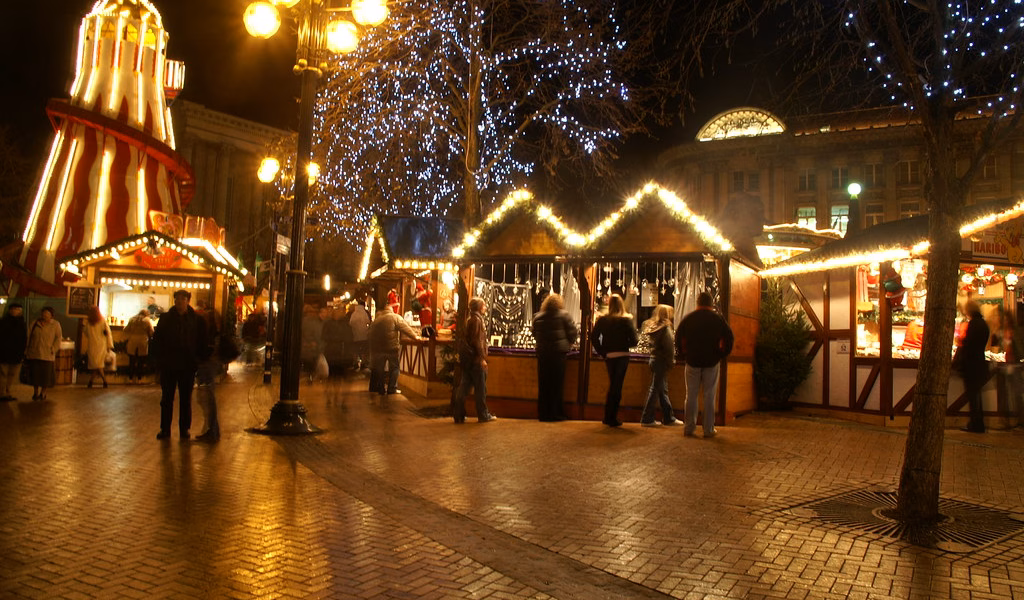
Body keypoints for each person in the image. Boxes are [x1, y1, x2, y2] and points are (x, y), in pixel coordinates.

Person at [151, 289, 208, 440]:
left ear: (188, 301)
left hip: (187, 365)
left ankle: (184, 429)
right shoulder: (166, 318)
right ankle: (165, 429)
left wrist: (198, 360)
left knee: (185, 399)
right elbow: (157, 341)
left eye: (183, 299)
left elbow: (202, 342)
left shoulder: (196, 320)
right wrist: (159, 361)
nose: (180, 302)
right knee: (167, 399)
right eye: (177, 299)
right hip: (169, 365)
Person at [676, 292, 734, 438]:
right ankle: (708, 429)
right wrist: (721, 354)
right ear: (711, 303)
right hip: (711, 362)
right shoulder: (718, 319)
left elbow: (678, 339)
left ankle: (689, 428)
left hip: (692, 362)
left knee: (691, 395)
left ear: (697, 302)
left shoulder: (688, 319)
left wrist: (684, 356)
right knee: (709, 396)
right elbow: (729, 338)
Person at [590, 294, 638, 427]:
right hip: (622, 355)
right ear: (621, 305)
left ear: (609, 305)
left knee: (613, 385)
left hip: (609, 356)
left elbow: (594, 337)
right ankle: (611, 417)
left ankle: (608, 416)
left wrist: (602, 351)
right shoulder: (626, 321)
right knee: (617, 386)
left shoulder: (603, 320)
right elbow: (635, 341)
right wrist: (623, 343)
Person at [531, 293, 577, 421]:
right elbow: (573, 332)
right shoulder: (564, 315)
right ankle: (556, 413)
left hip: (543, 353)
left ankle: (543, 413)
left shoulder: (537, 316)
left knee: (544, 384)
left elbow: (534, 333)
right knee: (557, 384)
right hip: (558, 353)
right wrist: (570, 342)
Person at [452, 297, 497, 423]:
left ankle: (458, 415)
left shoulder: (470, 319)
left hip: (468, 360)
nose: (485, 308)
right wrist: (482, 358)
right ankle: (483, 415)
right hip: (476, 360)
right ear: (479, 307)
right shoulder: (477, 320)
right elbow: (477, 341)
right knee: (480, 389)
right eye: (483, 306)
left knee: (464, 387)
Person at [640, 304, 680, 427]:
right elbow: (669, 347)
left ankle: (669, 417)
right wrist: (671, 361)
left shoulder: (653, 328)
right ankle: (647, 418)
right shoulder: (666, 328)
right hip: (662, 361)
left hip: (653, 359)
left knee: (662, 390)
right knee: (655, 389)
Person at [368, 304, 419, 398]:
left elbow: (370, 333)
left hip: (378, 349)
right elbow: (405, 328)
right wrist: (415, 337)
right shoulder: (395, 317)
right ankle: (392, 388)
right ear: (391, 310)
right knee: (394, 368)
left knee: (380, 369)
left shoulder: (377, 320)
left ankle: (381, 389)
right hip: (391, 348)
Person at [958, 299, 990, 433]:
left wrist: (961, 342)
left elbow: (968, 344)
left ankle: (975, 424)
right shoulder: (983, 324)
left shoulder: (973, 324)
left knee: (973, 396)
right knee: (976, 395)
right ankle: (978, 423)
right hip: (979, 362)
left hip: (971, 364)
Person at [194, 301, 221, 442]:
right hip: (210, 364)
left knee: (206, 398)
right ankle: (212, 429)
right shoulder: (215, 332)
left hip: (206, 364)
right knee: (207, 397)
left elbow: (203, 348)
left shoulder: (207, 334)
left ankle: (212, 430)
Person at [25, 307, 62, 401]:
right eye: (44, 313)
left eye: (47, 313)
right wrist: (26, 349)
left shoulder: (55, 324)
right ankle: (35, 392)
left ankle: (43, 392)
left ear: (51, 315)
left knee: (46, 376)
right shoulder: (35, 323)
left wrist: (54, 349)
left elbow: (58, 338)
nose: (45, 315)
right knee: (35, 375)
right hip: (34, 353)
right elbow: (28, 336)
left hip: (47, 354)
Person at [81, 305, 114, 389]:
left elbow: (86, 333)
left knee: (96, 365)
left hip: (92, 346)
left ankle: (91, 382)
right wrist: (109, 346)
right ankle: (104, 381)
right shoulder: (102, 321)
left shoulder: (88, 323)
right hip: (101, 345)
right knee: (99, 365)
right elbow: (108, 333)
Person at [0, 303, 28, 401]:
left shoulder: (22, 323)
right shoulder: (3, 322)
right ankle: (2, 393)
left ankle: (8, 392)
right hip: (4, 353)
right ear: (10, 310)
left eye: (18, 309)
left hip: (17, 354)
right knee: (3, 374)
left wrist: (23, 351)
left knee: (12, 375)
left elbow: (24, 339)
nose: (16, 311)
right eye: (14, 309)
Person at [123, 309, 154, 384]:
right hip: (143, 341)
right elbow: (151, 331)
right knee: (140, 361)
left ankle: (130, 379)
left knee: (132, 361)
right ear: (146, 314)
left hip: (132, 341)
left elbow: (126, 329)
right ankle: (139, 379)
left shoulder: (132, 319)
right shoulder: (147, 320)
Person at [349, 298, 371, 369]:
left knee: (355, 350)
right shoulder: (366, 313)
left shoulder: (354, 313)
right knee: (364, 350)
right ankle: (364, 363)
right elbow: (369, 322)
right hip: (365, 335)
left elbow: (350, 323)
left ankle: (355, 363)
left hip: (355, 335)